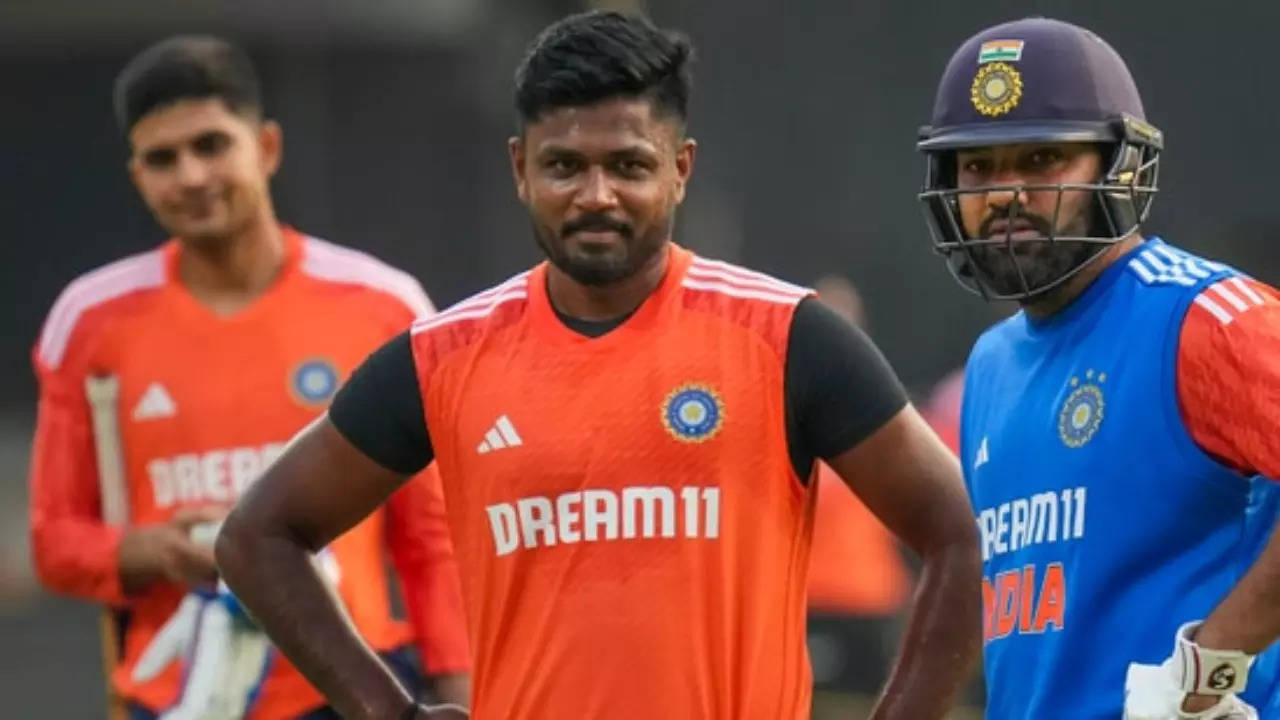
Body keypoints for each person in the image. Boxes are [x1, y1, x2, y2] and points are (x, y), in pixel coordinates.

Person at [216, 10, 981, 720]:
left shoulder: (786, 336)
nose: (596, 195)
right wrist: (387, 710)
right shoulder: (445, 355)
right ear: (520, 169)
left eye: (628, 165)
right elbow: (257, 536)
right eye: (563, 167)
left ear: (680, 169)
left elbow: (959, 531)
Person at [27, 36, 470, 720]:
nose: (192, 175)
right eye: (162, 158)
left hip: (354, 691)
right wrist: (156, 552)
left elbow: (433, 537)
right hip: (180, 695)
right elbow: (55, 538)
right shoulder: (89, 320)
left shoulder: (382, 304)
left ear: (265, 147)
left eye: (211, 145)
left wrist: (459, 687)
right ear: (137, 176)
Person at [916, 16, 1280, 719]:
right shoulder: (990, 363)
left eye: (1044, 160)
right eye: (978, 166)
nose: (1005, 193)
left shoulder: (1207, 317)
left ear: (1119, 168)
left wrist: (1210, 667)